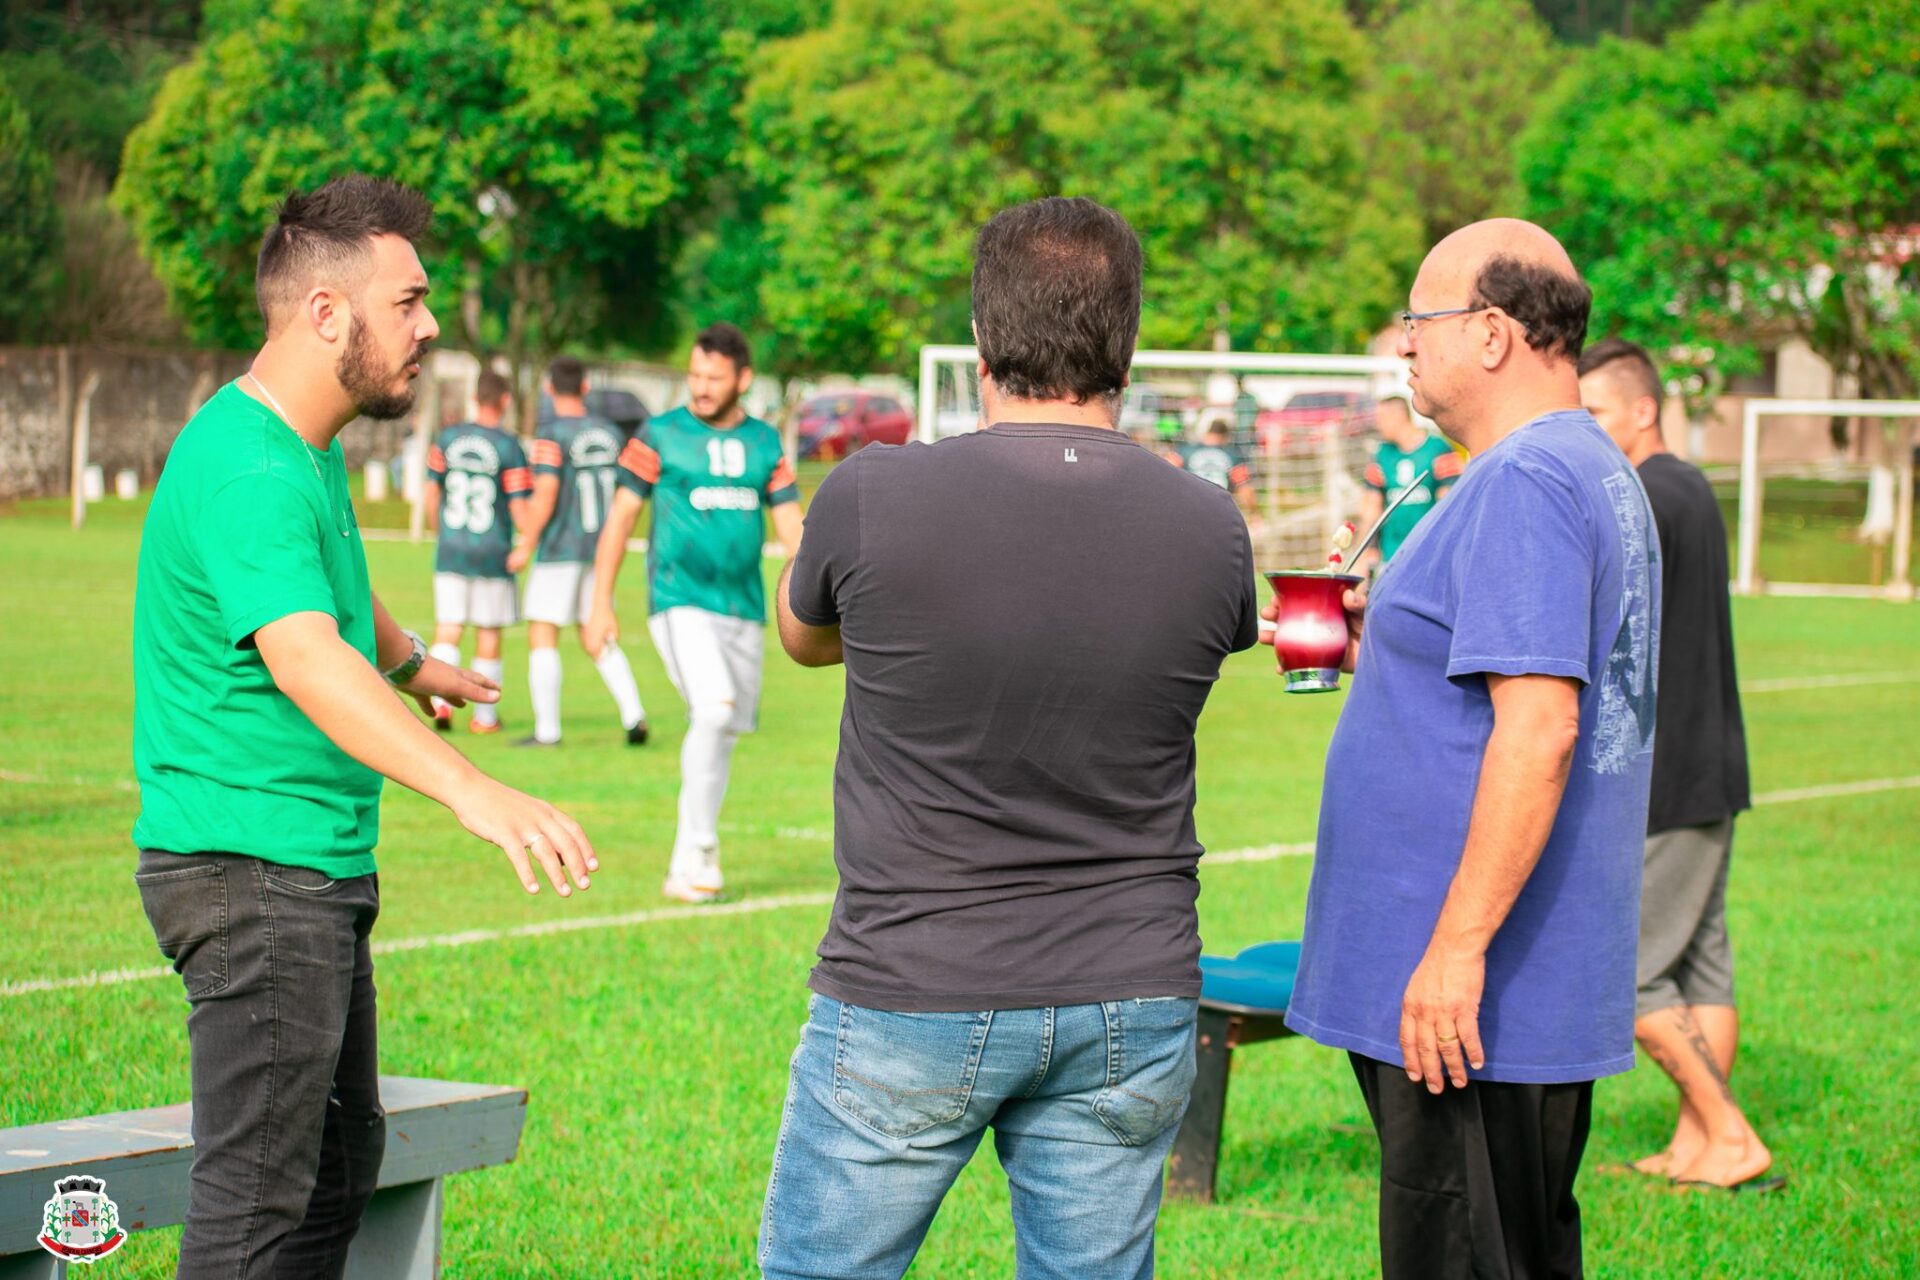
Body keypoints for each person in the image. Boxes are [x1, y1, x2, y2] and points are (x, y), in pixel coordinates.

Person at [760, 197, 1260, 1280]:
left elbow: (802, 639)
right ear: (1127, 345)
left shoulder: (871, 491)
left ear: (983, 338)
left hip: (912, 980)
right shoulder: (1213, 522)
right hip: (1133, 986)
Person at [130, 174, 598, 1279]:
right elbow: (302, 652)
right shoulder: (249, 463)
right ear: (326, 314)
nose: (431, 326)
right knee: (257, 1202)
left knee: (338, 1168)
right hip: (252, 869)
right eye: (410, 301)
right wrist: (474, 791)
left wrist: (413, 657)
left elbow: (329, 590)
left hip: (303, 866)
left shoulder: (302, 442)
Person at [1282, 219, 1659, 1279]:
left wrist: (1453, 949)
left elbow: (1540, 726)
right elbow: (1503, 672)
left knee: (1464, 1252)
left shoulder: (1522, 479)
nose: (1403, 345)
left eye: (1420, 320)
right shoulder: (1576, 463)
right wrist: (1386, 639)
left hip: (1478, 991)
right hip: (1509, 978)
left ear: (1492, 334)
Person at [1577, 337, 1777, 1193]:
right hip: (1713, 761)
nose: (1582, 431)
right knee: (1701, 963)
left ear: (1643, 410)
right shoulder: (1689, 485)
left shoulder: (1643, 498)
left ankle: (1728, 1133)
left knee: (1629, 973)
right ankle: (1698, 1143)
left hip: (1665, 772)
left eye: (1592, 415)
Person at [582, 324, 803, 903]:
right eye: (695, 375)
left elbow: (790, 529)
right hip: (679, 601)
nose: (701, 387)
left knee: (724, 729)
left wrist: (817, 595)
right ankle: (701, 851)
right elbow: (621, 519)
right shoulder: (660, 434)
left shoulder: (765, 443)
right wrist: (599, 602)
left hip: (743, 608)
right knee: (713, 709)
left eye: (714, 377)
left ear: (743, 380)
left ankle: (687, 861)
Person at [514, 355, 649, 748]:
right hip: (601, 547)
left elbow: (546, 494)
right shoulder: (610, 432)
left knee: (542, 633)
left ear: (549, 388)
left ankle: (547, 731)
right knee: (595, 631)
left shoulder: (551, 434)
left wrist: (526, 543)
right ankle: (633, 713)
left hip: (561, 547)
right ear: (586, 387)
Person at [422, 367, 533, 733]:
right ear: (504, 400)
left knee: (449, 628)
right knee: (488, 632)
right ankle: (484, 718)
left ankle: (440, 705)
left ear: (474, 397)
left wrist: (443, 533)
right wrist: (527, 543)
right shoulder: (509, 447)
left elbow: (431, 494)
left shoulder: (448, 437)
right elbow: (518, 508)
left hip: (452, 547)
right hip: (492, 550)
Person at [1356, 392, 1463, 571]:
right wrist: (1361, 555)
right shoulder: (1381, 454)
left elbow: (1449, 505)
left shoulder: (1438, 449)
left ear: (1397, 417)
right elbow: (1370, 509)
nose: (1377, 424)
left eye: (1380, 418)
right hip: (1391, 556)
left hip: (1428, 556)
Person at [1163, 418, 1258, 516]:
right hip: (1219, 507)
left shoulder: (1185, 451)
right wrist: (1254, 513)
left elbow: (1166, 473)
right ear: (1225, 436)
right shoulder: (1232, 455)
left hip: (1190, 505)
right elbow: (1245, 488)